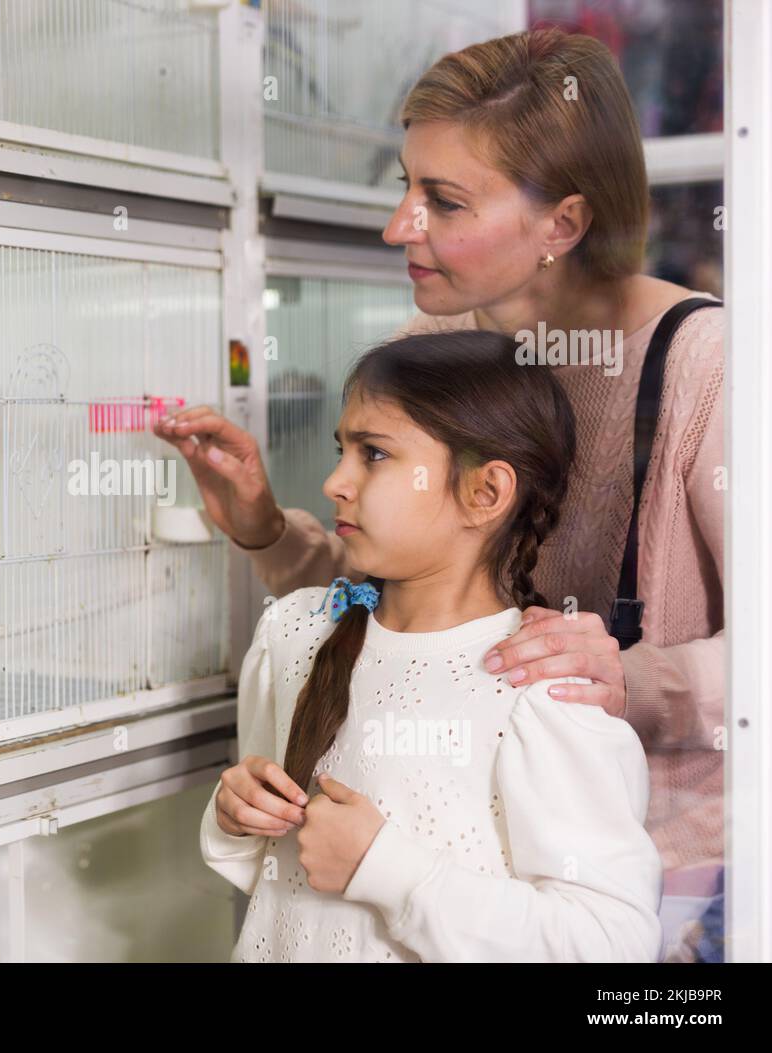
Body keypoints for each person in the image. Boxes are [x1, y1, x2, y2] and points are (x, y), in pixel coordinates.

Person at [160, 26, 724, 959]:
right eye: (404, 189)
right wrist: (265, 531)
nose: (398, 227)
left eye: (443, 201)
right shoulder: (459, 335)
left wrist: (630, 679)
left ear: (564, 225)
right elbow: (421, 584)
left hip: (680, 897)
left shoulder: (710, 365)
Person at [200, 330, 661, 962]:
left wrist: (389, 870)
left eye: (375, 454)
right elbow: (271, 867)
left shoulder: (542, 687)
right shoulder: (294, 631)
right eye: (343, 449)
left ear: (486, 493)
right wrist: (234, 813)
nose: (335, 480)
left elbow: (611, 945)